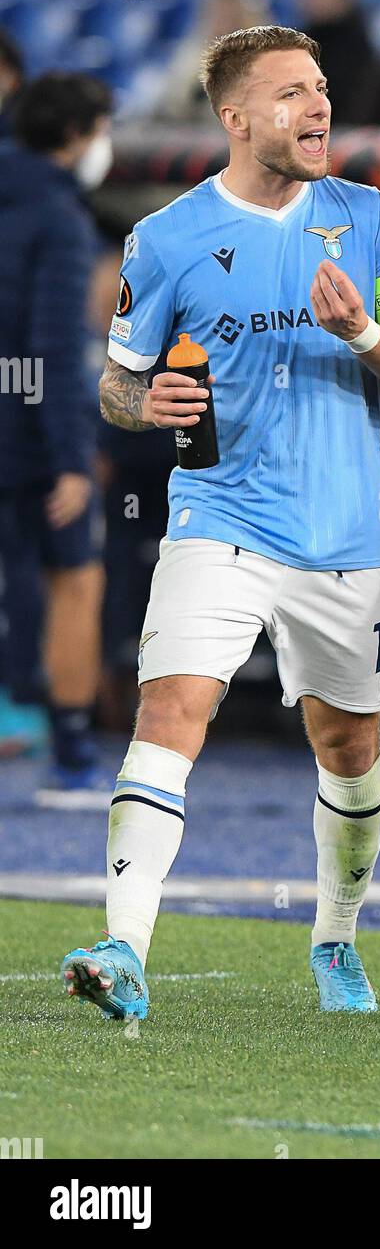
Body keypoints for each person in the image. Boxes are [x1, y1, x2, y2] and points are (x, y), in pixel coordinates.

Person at [61, 25, 380, 1021]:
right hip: (217, 517)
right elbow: (116, 383)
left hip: (344, 532)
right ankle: (124, 949)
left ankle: (335, 938)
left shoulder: (366, 215)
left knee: (348, 748)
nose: (317, 108)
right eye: (289, 95)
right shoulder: (165, 238)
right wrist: (144, 408)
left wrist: (358, 328)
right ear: (233, 118)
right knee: (168, 712)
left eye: (319, 89)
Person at [0, 72, 113, 794]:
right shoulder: (62, 218)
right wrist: (73, 457)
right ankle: (72, 750)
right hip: (29, 435)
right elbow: (50, 346)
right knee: (76, 578)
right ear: (75, 136)